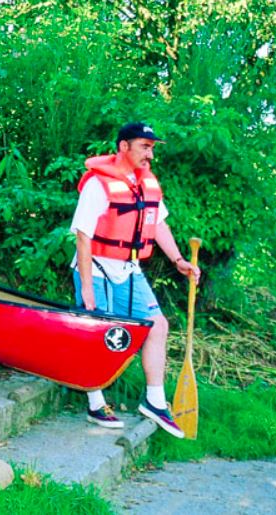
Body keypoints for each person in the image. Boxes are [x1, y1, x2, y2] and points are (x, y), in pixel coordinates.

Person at [70, 122, 201, 438]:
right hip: (96, 266)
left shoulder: (148, 185)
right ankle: (95, 401)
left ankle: (155, 402)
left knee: (158, 325)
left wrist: (179, 260)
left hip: (128, 268)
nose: (150, 153)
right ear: (123, 147)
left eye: (153, 147)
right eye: (144, 146)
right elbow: (83, 236)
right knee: (99, 333)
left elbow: (158, 226)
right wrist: (87, 287)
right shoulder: (98, 184)